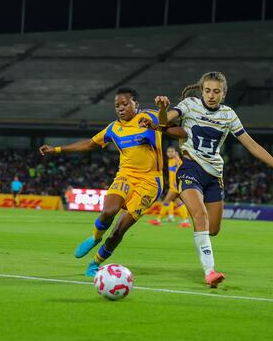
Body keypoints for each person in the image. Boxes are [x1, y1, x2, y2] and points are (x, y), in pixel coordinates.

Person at [152, 72, 273, 288]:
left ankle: (200, 234)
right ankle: (210, 272)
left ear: (223, 94)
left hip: (214, 175)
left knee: (213, 230)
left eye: (216, 91)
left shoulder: (229, 115)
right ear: (202, 91)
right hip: (190, 168)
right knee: (200, 215)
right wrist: (163, 110)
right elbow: (162, 123)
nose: (211, 95)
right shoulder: (190, 104)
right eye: (208, 90)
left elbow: (253, 146)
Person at [38, 87, 187, 277]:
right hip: (125, 176)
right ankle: (95, 237)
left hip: (150, 183)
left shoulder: (151, 116)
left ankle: (94, 264)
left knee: (118, 230)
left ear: (136, 104)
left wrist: (159, 122)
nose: (120, 108)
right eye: (117, 105)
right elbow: (90, 144)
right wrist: (57, 149)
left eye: (125, 104)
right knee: (108, 211)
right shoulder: (113, 128)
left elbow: (182, 132)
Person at [148, 146, 191, 227]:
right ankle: (185, 221)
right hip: (172, 185)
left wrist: (178, 182)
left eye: (172, 151)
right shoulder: (170, 160)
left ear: (175, 152)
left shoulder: (177, 160)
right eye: (168, 152)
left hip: (175, 186)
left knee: (166, 201)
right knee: (178, 202)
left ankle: (158, 219)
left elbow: (183, 171)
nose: (170, 153)